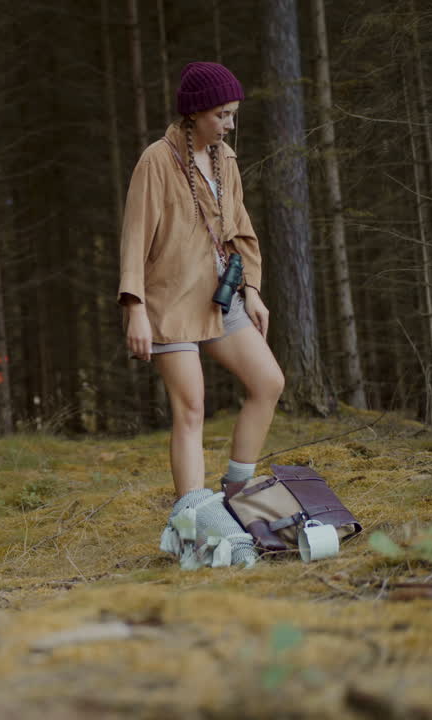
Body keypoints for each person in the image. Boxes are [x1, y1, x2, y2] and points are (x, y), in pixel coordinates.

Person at [117, 62, 285, 570]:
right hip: (167, 301)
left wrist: (252, 290)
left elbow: (242, 231)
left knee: (268, 383)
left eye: (233, 114)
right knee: (191, 408)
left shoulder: (224, 158)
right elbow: (133, 238)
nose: (229, 124)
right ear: (194, 113)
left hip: (220, 299)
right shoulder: (156, 160)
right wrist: (135, 309)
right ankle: (194, 525)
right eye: (222, 114)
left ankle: (235, 502)